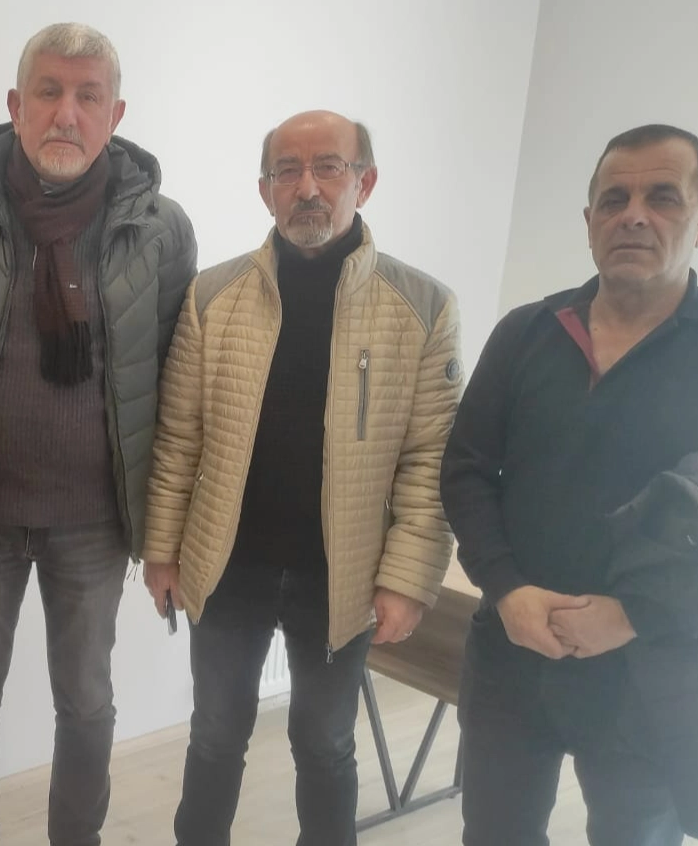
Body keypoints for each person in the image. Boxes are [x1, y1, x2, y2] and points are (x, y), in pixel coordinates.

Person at [0, 22, 197, 846]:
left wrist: (167, 531)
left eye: (88, 96)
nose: (67, 113)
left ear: (116, 114)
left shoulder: (162, 230)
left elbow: (177, 387)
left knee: (87, 700)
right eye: (49, 92)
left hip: (95, 523)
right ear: (15, 104)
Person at [143, 109, 463, 846]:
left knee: (324, 744)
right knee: (215, 734)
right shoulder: (211, 296)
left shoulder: (423, 308)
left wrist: (408, 579)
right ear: (266, 190)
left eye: (329, 167)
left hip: (341, 576)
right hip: (227, 566)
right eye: (287, 171)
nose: (308, 187)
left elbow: (430, 461)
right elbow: (179, 438)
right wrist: (161, 550)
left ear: (365, 182)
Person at [442, 124, 698, 846]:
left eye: (663, 198)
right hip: (512, 654)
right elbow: (465, 470)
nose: (634, 216)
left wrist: (634, 614)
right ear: (589, 220)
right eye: (614, 200)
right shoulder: (526, 332)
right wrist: (506, 589)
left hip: (653, 674)